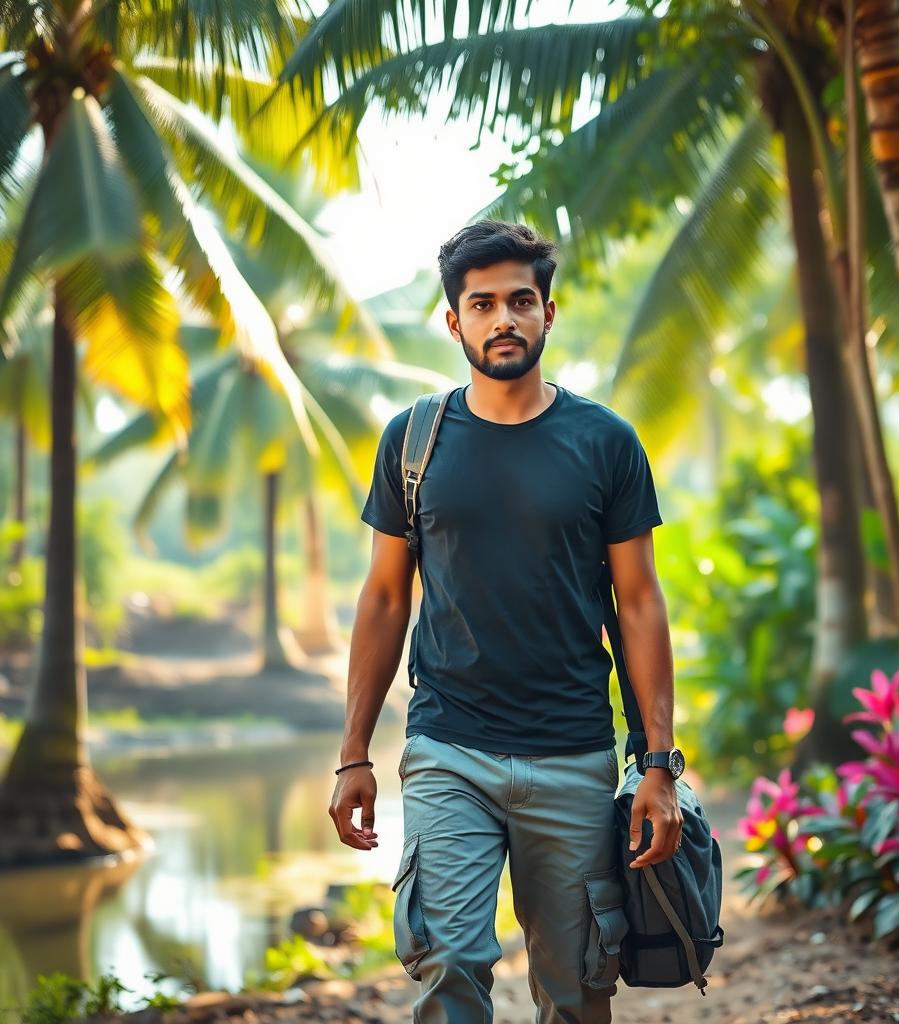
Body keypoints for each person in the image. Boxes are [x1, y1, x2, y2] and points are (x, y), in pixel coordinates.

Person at [329, 220, 682, 1023]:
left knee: (576, 988)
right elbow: (385, 598)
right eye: (481, 304)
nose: (503, 320)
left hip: (574, 754)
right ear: (454, 322)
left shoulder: (606, 442)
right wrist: (353, 753)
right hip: (450, 746)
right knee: (448, 961)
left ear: (548, 313)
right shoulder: (413, 443)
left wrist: (658, 761)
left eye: (521, 300)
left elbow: (640, 602)